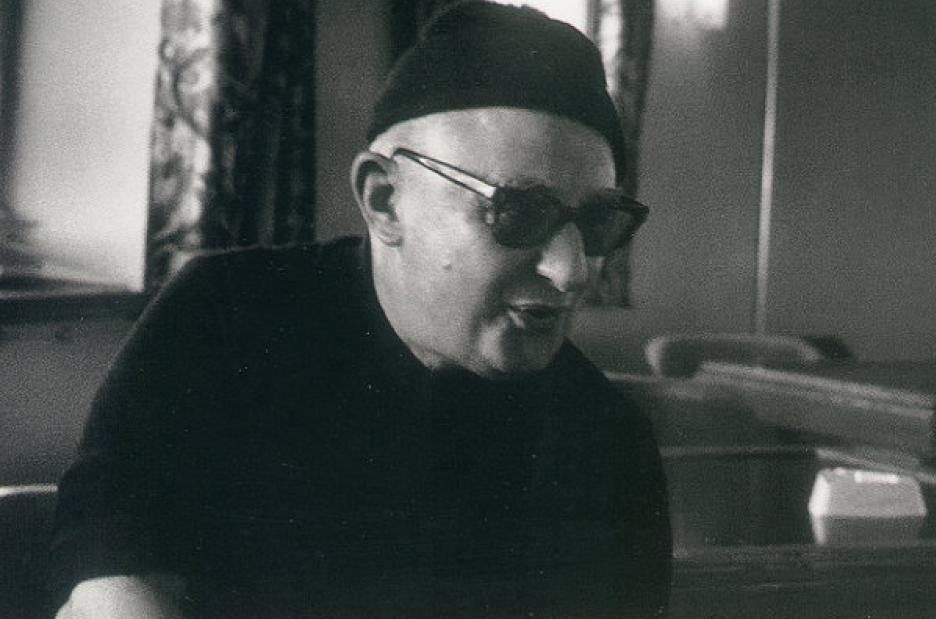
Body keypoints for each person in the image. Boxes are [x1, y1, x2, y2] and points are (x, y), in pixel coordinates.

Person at [49, 2, 671, 617]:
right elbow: (110, 559)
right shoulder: (227, 314)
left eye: (596, 221)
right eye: (520, 212)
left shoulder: (607, 444)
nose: (570, 271)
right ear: (384, 200)